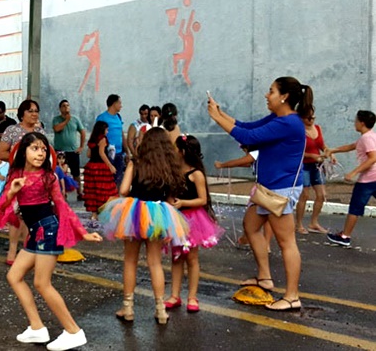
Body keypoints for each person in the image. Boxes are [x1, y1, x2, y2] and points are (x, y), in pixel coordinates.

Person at [0, 132, 102, 350]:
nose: (40, 153)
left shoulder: (49, 177)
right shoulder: (16, 174)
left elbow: (62, 206)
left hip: (48, 230)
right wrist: (12, 192)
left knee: (41, 283)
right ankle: (37, 328)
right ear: (23, 151)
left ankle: (74, 331)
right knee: (15, 276)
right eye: (35, 148)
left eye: (43, 149)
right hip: (35, 232)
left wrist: (82, 232)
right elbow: (1, 208)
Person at [208, 76, 313, 312]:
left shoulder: (288, 123)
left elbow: (247, 138)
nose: (267, 95)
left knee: (287, 243)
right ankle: (265, 278)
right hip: (269, 188)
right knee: (250, 225)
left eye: (271, 91)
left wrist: (216, 118)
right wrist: (220, 113)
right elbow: (247, 126)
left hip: (280, 190)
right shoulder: (279, 118)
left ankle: (292, 296)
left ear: (284, 96)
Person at [98, 127, 189, 324]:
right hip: (158, 214)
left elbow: (123, 190)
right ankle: (161, 309)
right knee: (155, 263)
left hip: (134, 212)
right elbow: (172, 198)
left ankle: (128, 307)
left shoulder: (136, 162)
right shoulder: (168, 166)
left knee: (130, 260)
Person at [166, 135, 224, 313]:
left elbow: (203, 199)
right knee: (176, 257)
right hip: (176, 219)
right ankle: (175, 295)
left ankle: (192, 296)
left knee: (191, 258)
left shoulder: (196, 174)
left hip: (193, 220)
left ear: (182, 152)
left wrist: (183, 203)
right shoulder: (173, 172)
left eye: (176, 149)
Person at [0, 99, 45, 265]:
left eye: (36, 111)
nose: (34, 114)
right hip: (17, 177)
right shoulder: (12, 130)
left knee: (31, 215)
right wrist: (20, 159)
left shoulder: (40, 130)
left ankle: (27, 251)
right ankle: (12, 252)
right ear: (22, 113)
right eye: (30, 111)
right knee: (16, 215)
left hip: (37, 179)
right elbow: (1, 152)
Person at [325, 110, 376, 247]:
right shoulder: (368, 136)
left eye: (356, 121)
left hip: (368, 180)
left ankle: (345, 236)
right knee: (355, 207)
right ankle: (344, 235)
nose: (354, 123)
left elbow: (373, 158)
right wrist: (333, 150)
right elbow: (351, 146)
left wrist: (353, 173)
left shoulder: (367, 138)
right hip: (373, 178)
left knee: (355, 208)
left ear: (362, 123)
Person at [215, 146, 273, 252]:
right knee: (267, 217)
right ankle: (264, 243)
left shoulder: (256, 152)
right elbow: (247, 163)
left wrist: (222, 165)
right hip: (269, 188)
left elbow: (244, 161)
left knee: (250, 220)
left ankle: (248, 239)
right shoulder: (265, 151)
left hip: (262, 189)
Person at [295, 110, 334, 234]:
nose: (311, 120)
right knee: (304, 195)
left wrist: (329, 153)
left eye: (313, 117)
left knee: (321, 194)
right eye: (308, 118)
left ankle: (314, 222)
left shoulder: (317, 128)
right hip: (304, 164)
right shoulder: (298, 131)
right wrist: (311, 155)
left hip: (317, 165)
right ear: (302, 118)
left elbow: (322, 145)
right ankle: (299, 224)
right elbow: (295, 150)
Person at [83, 121, 118, 221]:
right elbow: (102, 153)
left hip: (91, 167)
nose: (107, 131)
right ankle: (104, 211)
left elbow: (88, 155)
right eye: (107, 129)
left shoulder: (92, 140)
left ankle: (94, 214)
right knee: (105, 190)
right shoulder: (103, 139)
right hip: (100, 168)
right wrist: (110, 166)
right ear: (102, 129)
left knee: (92, 191)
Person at [52, 100, 86, 201]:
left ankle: (79, 192)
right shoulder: (56, 119)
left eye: (67, 105)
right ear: (60, 108)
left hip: (73, 151)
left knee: (76, 173)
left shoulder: (75, 119)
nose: (66, 107)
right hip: (60, 151)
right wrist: (66, 121)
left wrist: (81, 146)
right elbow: (57, 129)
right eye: (63, 106)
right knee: (60, 173)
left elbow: (82, 132)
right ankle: (61, 192)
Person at [96, 94, 128, 186]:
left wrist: (126, 151)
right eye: (119, 103)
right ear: (114, 103)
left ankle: (117, 198)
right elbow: (97, 136)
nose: (121, 106)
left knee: (118, 179)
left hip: (119, 153)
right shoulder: (102, 118)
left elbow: (121, 134)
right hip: (108, 153)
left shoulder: (118, 117)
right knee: (107, 180)